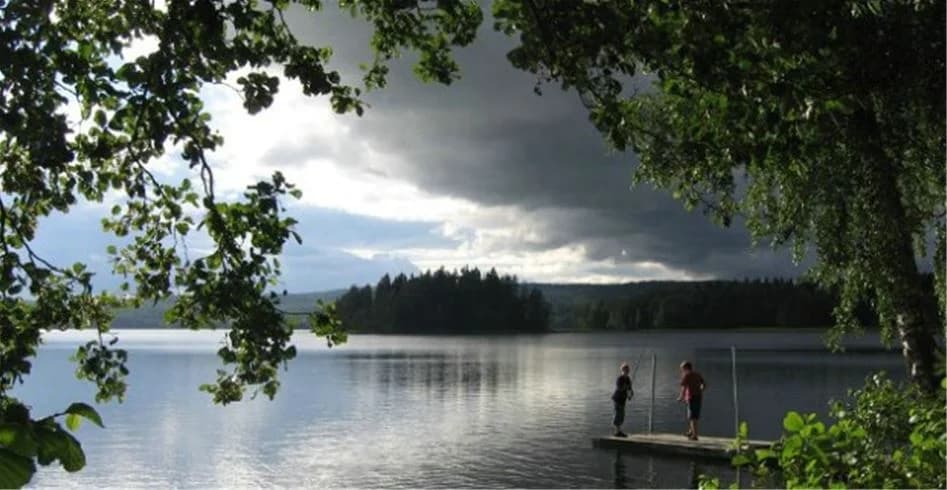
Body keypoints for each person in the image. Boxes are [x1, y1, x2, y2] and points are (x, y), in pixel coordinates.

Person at [677, 361, 705, 440]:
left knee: (692, 417)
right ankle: (690, 431)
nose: (681, 370)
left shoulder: (686, 375)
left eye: (682, 369)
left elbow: (683, 387)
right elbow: (704, 384)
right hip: (698, 396)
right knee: (694, 414)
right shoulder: (697, 374)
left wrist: (681, 397)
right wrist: (701, 389)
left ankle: (695, 435)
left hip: (691, 397)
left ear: (685, 368)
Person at [611, 362, 633, 437]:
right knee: (618, 415)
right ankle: (617, 432)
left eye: (628, 370)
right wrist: (625, 387)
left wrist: (630, 395)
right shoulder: (619, 378)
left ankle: (619, 431)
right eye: (625, 370)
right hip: (617, 399)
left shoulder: (628, 379)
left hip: (623, 400)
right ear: (622, 370)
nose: (627, 371)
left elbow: (630, 389)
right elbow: (619, 388)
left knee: (622, 416)